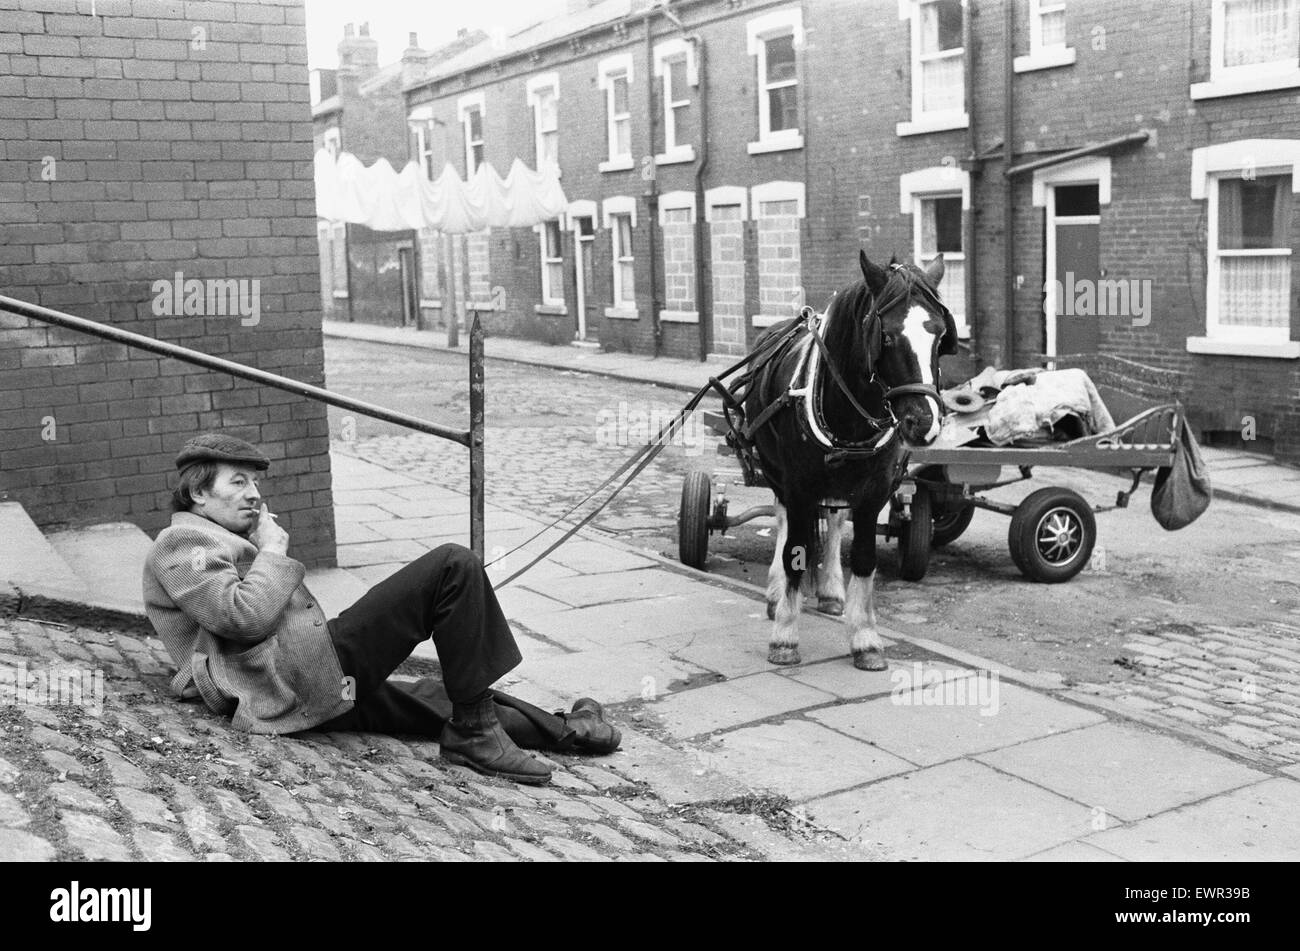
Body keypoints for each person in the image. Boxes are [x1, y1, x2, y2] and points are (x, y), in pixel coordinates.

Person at [141, 433, 620, 786]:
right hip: (279, 681)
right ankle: (477, 736)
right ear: (198, 493)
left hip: (297, 681)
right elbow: (242, 618)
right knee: (451, 566)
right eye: (238, 482)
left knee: (436, 700)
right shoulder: (181, 542)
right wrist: (273, 552)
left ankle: (567, 730)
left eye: (256, 483)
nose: (254, 493)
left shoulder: (219, 537)